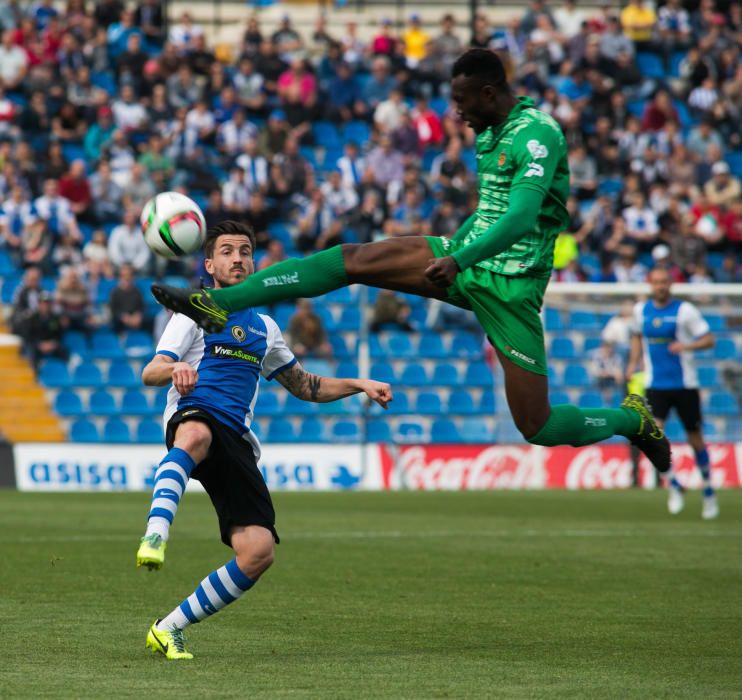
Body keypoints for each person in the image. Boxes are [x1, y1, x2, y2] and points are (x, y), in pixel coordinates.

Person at [152, 48, 670, 474]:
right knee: (354, 259)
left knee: (539, 427)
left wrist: (460, 256)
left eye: (463, 102)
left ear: (489, 93)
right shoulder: (489, 133)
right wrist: (456, 248)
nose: (457, 114)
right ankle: (217, 303)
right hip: (463, 259)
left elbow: (519, 217)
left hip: (512, 290)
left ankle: (630, 418)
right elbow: (487, 212)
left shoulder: (538, 134)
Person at [136, 221, 392, 660]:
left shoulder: (266, 327)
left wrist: (358, 383)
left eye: (246, 251)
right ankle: (156, 534)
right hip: (194, 414)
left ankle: (168, 627)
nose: (238, 259)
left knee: (258, 551)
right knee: (195, 434)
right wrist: (175, 370)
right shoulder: (195, 311)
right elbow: (151, 371)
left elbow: (305, 385)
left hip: (235, 438)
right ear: (209, 264)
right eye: (228, 251)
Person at [626, 267, 718, 519]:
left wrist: (687, 345)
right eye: (656, 282)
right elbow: (635, 335)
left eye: (664, 282)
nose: (660, 286)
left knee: (695, 438)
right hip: (656, 385)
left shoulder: (685, 311)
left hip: (685, 384)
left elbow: (710, 339)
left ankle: (709, 491)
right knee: (653, 437)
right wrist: (632, 364)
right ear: (650, 284)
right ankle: (675, 485)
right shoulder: (640, 311)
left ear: (671, 284)